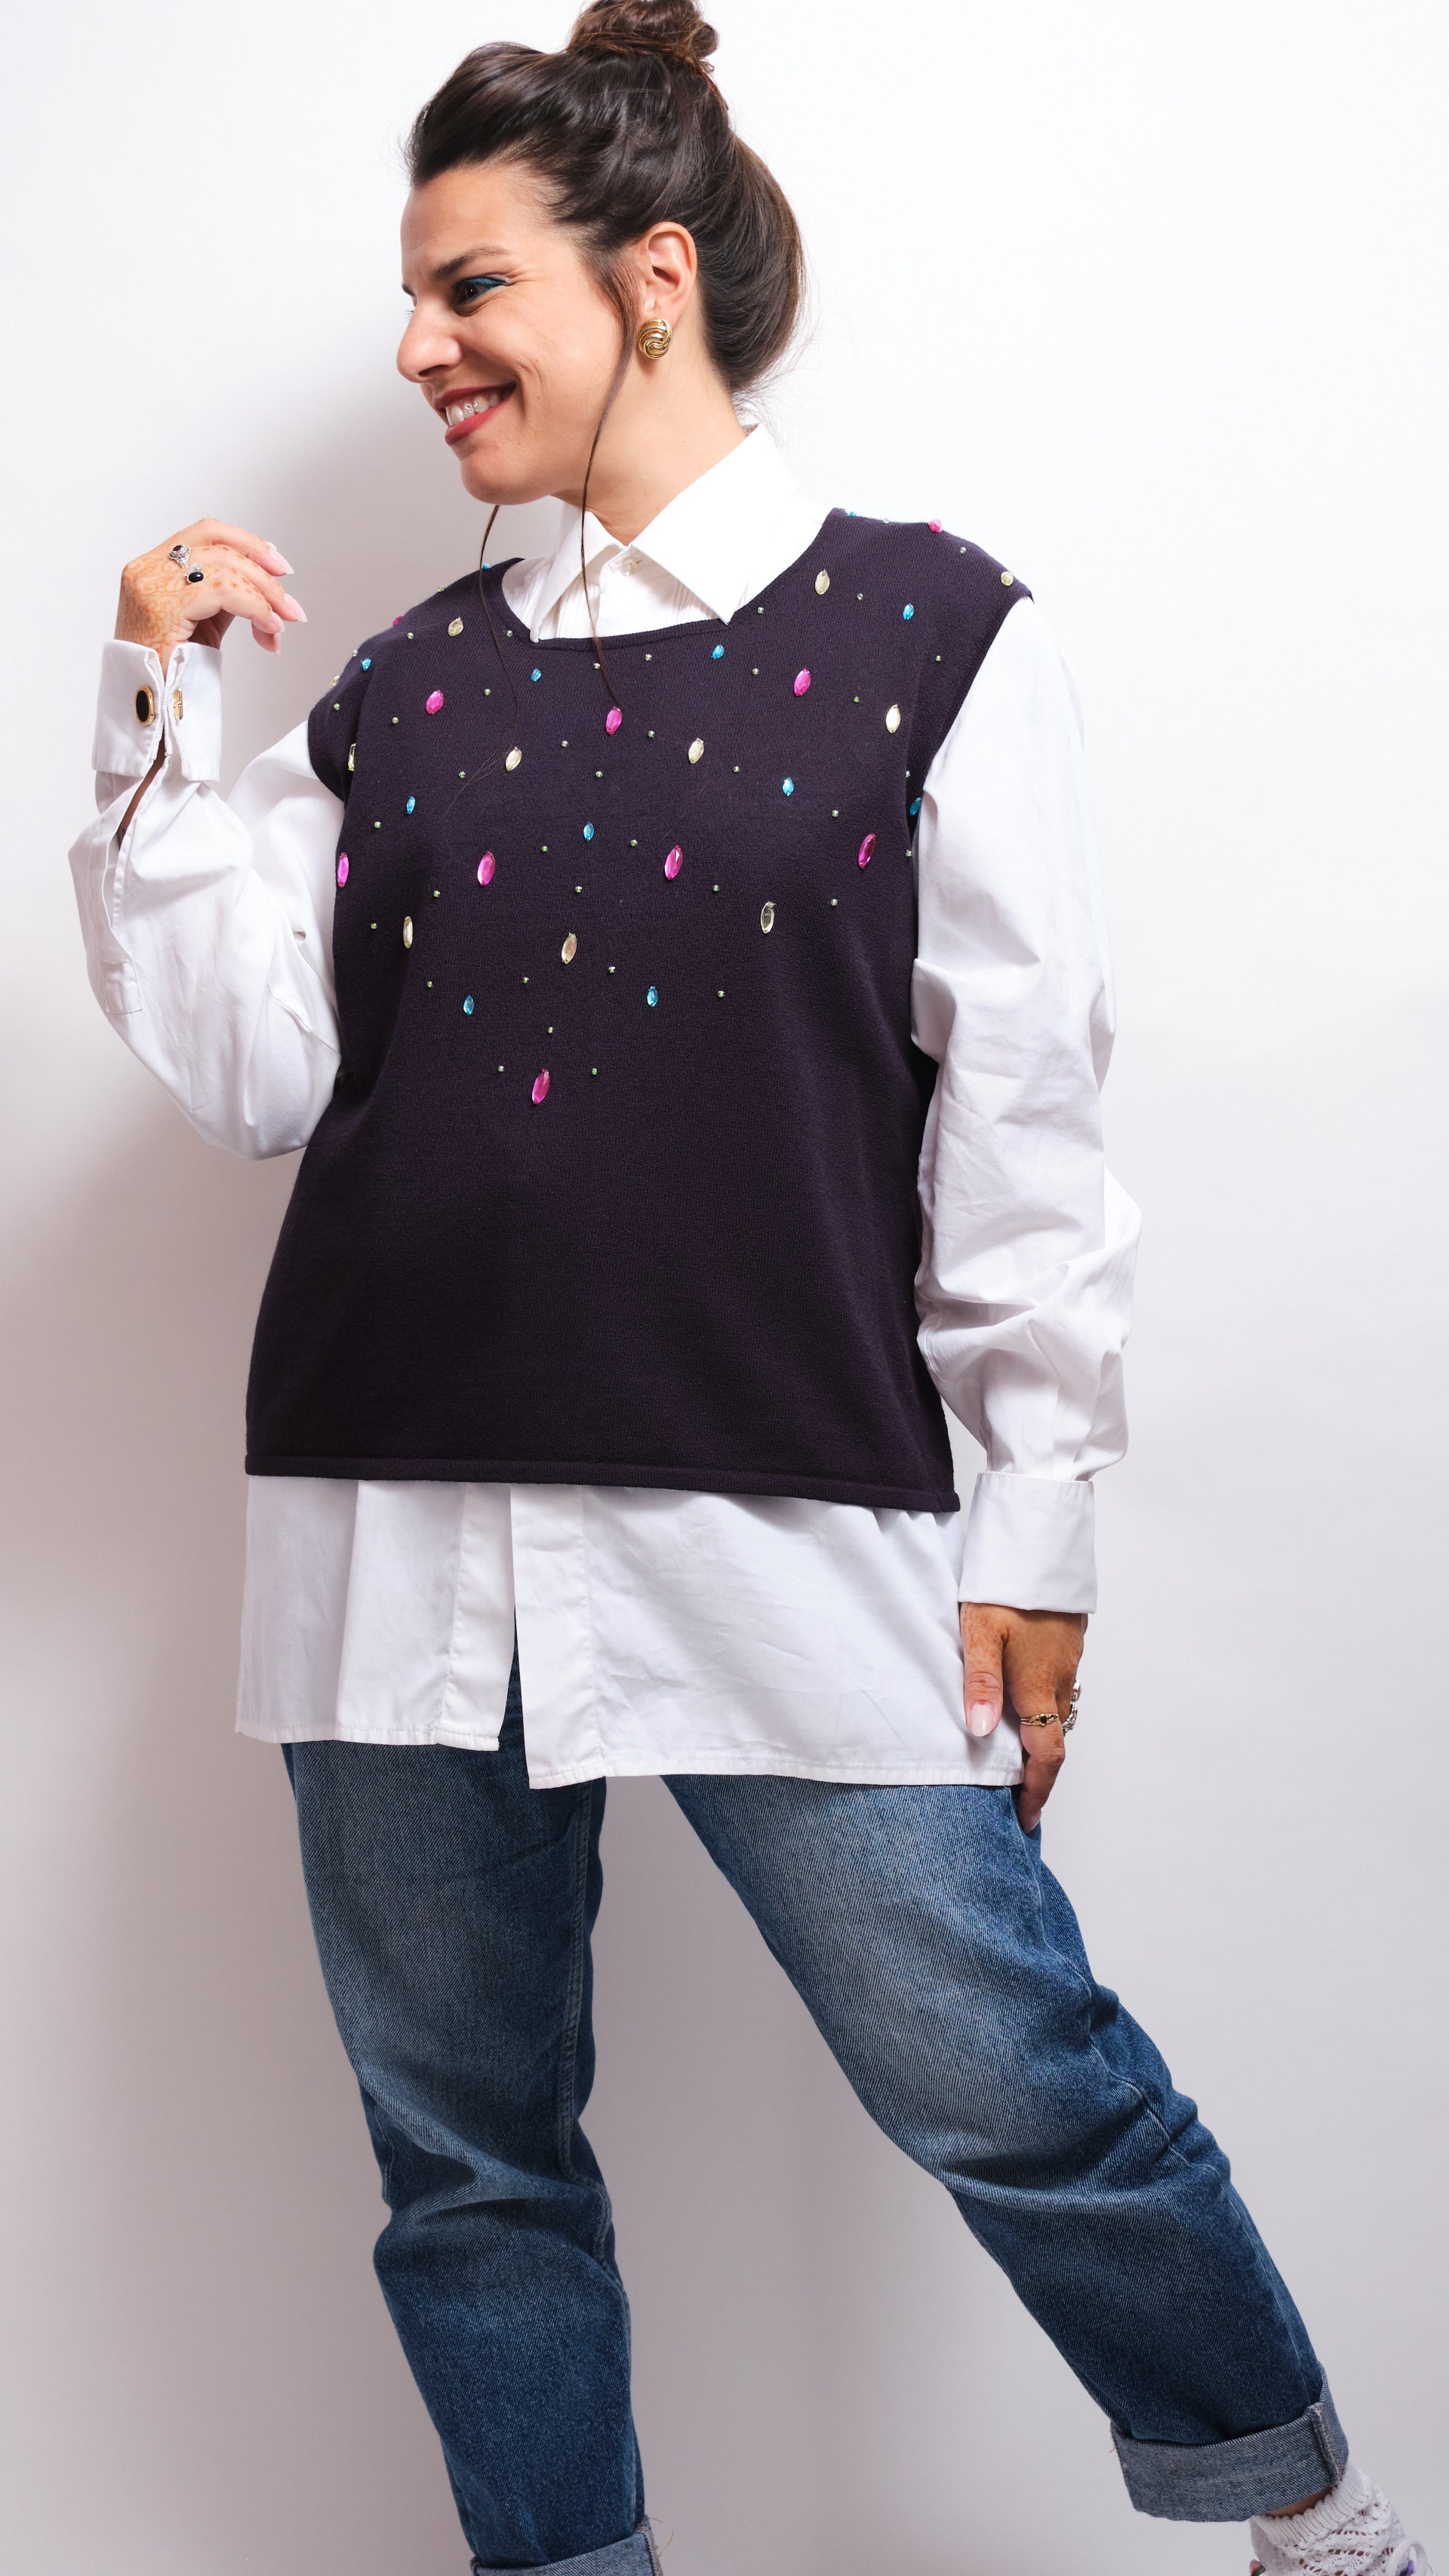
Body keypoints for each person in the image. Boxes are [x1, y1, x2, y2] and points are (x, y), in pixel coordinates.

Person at [69, 5, 1432, 2571]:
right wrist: (154, 710)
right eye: (409, 296)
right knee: (469, 2168)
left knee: (1012, 2077)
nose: (415, 346)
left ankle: (1314, 2519)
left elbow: (1026, 1121)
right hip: (387, 1530)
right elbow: (257, 1075)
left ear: (653, 277)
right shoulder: (399, 691)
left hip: (772, 1507)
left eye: (469, 284)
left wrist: (1038, 1529)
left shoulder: (935, 635)